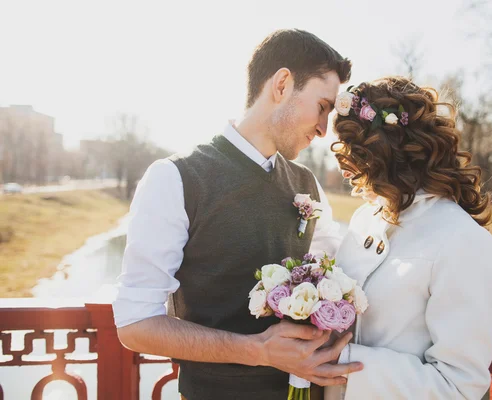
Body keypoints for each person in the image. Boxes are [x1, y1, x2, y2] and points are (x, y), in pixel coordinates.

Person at [112, 29, 363, 400]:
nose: (324, 130)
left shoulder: (307, 183)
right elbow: (135, 325)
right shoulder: (176, 178)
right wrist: (258, 350)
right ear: (281, 84)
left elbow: (342, 277)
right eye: (322, 107)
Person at [325, 76, 492, 399]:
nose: (344, 166)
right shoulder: (364, 219)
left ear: (384, 152)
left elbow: (459, 387)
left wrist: (345, 362)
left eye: (353, 150)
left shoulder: (464, 242)